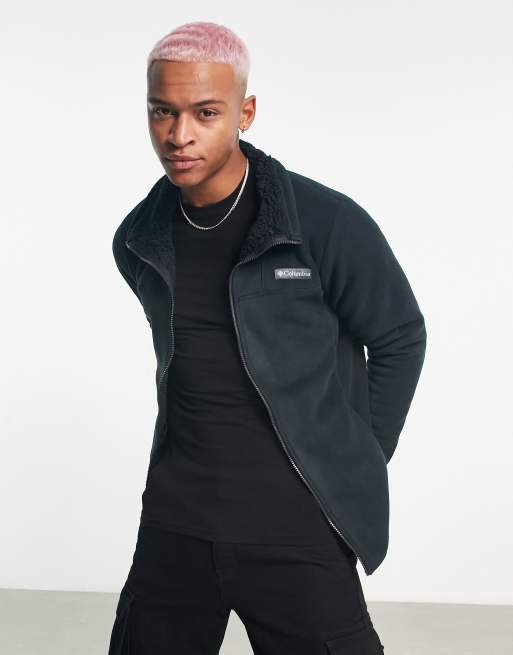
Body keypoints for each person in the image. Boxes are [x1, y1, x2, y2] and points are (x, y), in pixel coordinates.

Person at [107, 20, 426, 655]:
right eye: (162, 111)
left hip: (294, 524)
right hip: (176, 520)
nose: (179, 134)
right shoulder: (138, 239)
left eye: (205, 112)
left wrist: (357, 452)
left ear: (245, 113)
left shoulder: (323, 222)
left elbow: (399, 336)